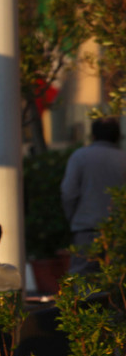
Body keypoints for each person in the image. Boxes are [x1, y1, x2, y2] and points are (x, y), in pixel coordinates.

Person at [61, 116, 126, 274]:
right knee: (117, 279)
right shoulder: (123, 158)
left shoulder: (80, 157)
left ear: (93, 135)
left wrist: (74, 217)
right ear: (118, 136)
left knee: (83, 280)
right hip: (119, 231)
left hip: (87, 228)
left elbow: (68, 192)